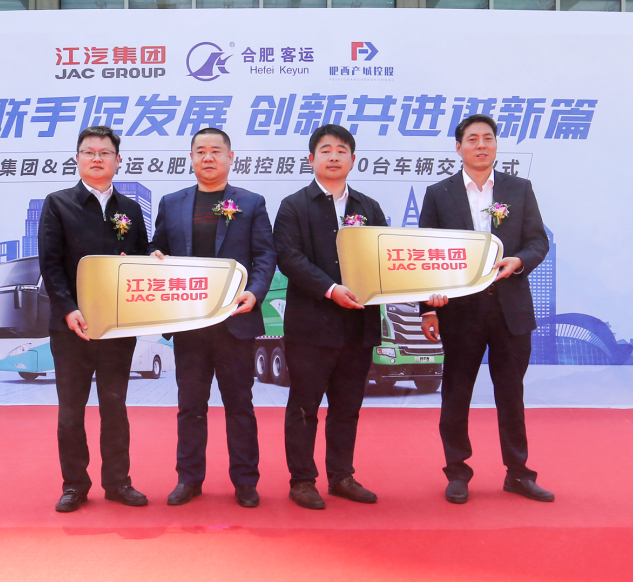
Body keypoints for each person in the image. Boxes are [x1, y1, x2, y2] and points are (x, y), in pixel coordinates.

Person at [419, 114, 554, 504]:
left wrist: (519, 261)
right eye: (473, 139)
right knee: (456, 393)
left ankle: (518, 473)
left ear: (496, 145)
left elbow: (537, 241)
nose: (481, 145)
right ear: (458, 147)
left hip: (510, 308)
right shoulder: (439, 193)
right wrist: (428, 309)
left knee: (511, 394)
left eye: (488, 138)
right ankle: (457, 472)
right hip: (460, 311)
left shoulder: (519, 189)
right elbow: (425, 253)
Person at [149, 128, 277, 508]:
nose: (208, 157)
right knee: (191, 406)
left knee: (240, 406)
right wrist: (153, 256)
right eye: (201, 151)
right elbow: (157, 247)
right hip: (189, 324)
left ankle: (245, 481)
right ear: (191, 158)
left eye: (216, 151)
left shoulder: (251, 203)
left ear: (230, 157)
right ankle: (188, 479)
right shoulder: (172, 203)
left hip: (235, 322)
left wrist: (256, 292)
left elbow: (265, 256)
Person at [272, 123, 386, 510]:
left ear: (353, 160)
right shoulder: (294, 206)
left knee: (347, 407)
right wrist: (331, 289)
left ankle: (341, 476)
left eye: (341, 150)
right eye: (326, 150)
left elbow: (384, 257)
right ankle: (302, 480)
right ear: (311, 159)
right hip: (311, 326)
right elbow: (289, 258)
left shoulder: (369, 208)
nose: (334, 156)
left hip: (358, 326)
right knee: (304, 407)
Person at [38, 125, 150, 513]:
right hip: (71, 328)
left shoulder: (130, 209)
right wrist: (68, 309)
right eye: (89, 152)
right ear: (77, 159)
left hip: (117, 327)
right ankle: (74, 484)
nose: (97, 158)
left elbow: (141, 259)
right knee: (71, 412)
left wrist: (144, 261)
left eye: (105, 153)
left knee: (114, 409)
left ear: (118, 160)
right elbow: (50, 264)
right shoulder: (58, 204)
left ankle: (118, 483)